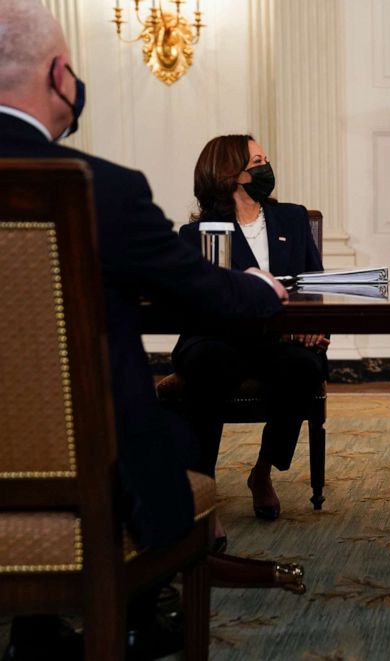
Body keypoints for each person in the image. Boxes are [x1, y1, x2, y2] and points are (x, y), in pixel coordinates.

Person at [0, 1, 286, 656]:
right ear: (60, 76)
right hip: (89, 469)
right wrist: (258, 287)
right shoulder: (102, 189)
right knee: (173, 430)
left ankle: (38, 627)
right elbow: (205, 289)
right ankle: (130, 615)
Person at [172, 134, 328, 528]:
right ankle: (202, 493)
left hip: (280, 341)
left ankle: (262, 471)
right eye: (256, 161)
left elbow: (313, 286)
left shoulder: (292, 218)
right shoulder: (197, 235)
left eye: (264, 159)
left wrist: (314, 326)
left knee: (304, 367)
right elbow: (197, 303)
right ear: (230, 174)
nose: (265, 168)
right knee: (209, 362)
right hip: (219, 340)